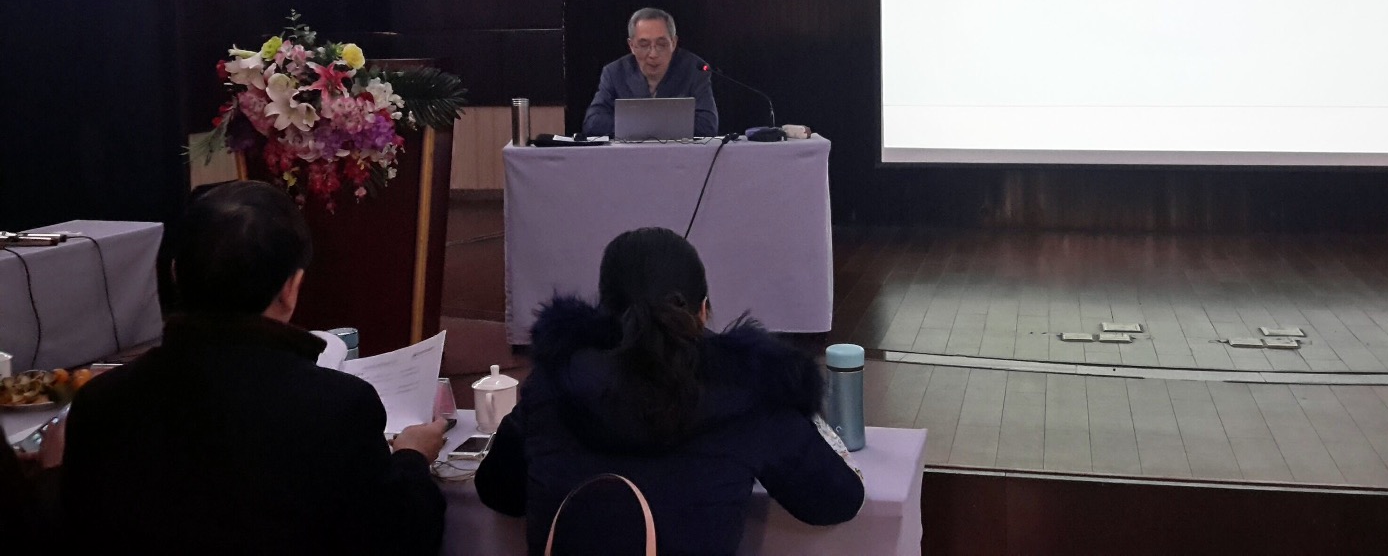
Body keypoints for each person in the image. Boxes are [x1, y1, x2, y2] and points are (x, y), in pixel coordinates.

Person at [61, 180, 448, 556]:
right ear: (291, 289)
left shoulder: (99, 402)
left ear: (175, 274)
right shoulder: (339, 407)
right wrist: (411, 458)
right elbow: (400, 539)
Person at [475, 227, 864, 556]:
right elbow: (834, 501)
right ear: (703, 310)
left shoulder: (555, 382)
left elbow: (498, 491)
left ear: (604, 309)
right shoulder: (747, 391)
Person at [582, 7, 719, 137]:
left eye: (661, 44)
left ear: (673, 42)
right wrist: (647, 127)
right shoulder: (614, 73)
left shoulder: (694, 70)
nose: (653, 54)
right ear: (631, 45)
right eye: (644, 45)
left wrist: (638, 126)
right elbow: (593, 122)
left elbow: (708, 125)